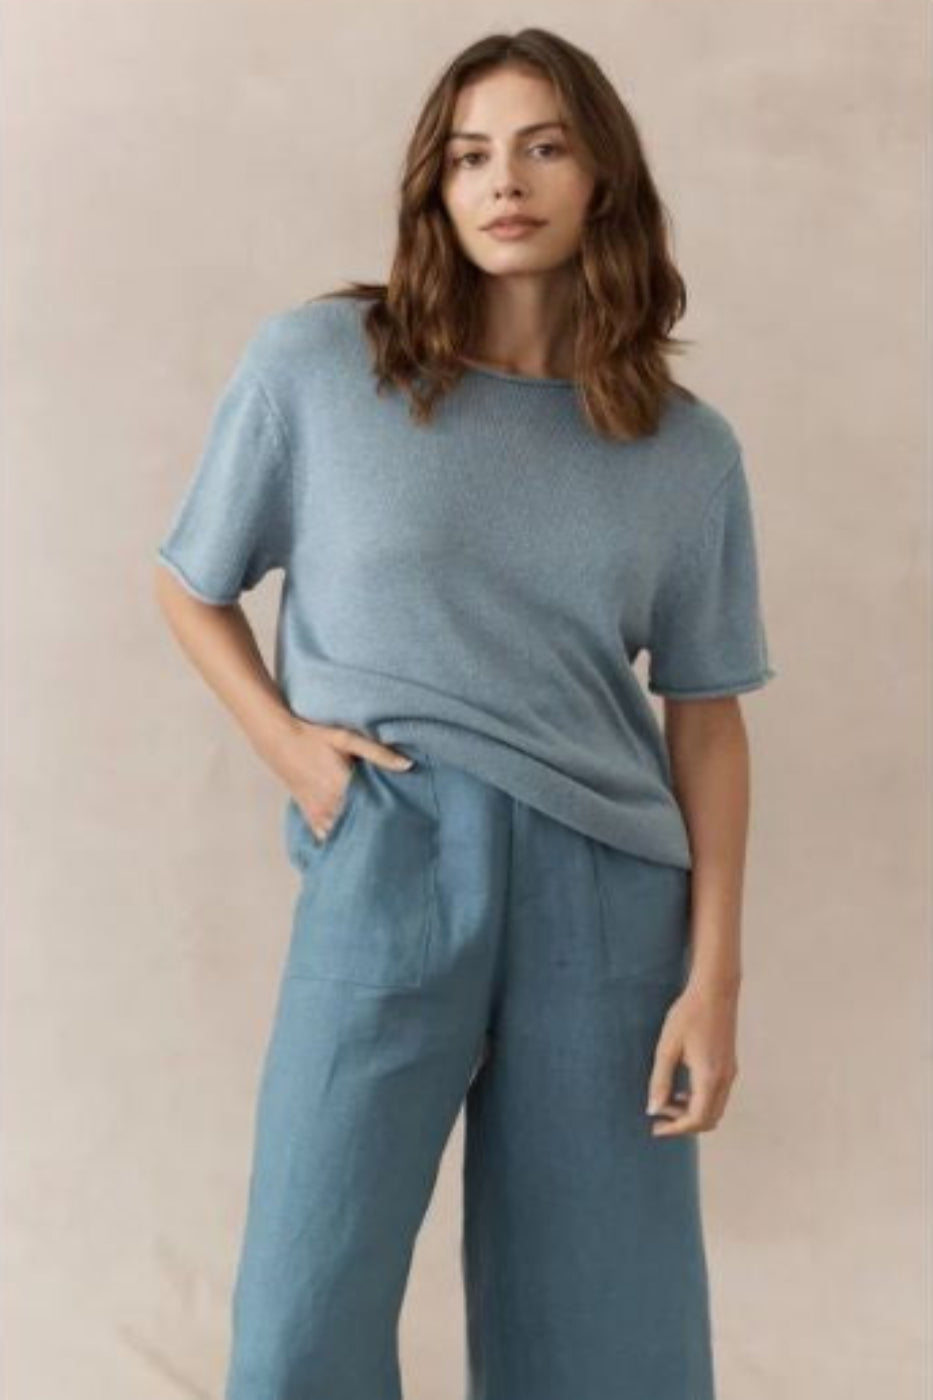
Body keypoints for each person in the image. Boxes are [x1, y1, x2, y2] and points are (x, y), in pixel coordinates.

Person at [154, 27, 776, 1400]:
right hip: (386, 843)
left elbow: (706, 714)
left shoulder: (683, 447)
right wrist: (294, 754)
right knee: (303, 1307)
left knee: (606, 1328)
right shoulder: (324, 366)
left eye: (543, 147)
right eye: (469, 154)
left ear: (602, 178)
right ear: (433, 185)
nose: (505, 182)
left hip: (608, 888)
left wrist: (713, 979)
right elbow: (190, 583)